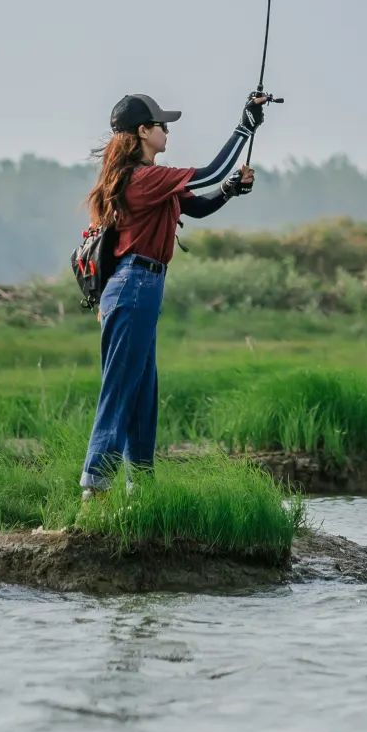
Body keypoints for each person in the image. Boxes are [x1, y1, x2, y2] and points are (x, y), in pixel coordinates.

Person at [79, 90, 267, 495]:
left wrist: (233, 189)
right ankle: (94, 486)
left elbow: (197, 205)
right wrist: (244, 127)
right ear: (143, 132)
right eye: (162, 125)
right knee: (120, 387)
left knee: (144, 392)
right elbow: (210, 171)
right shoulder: (142, 179)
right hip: (134, 286)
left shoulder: (153, 182)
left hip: (143, 288)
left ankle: (141, 490)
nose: (167, 130)